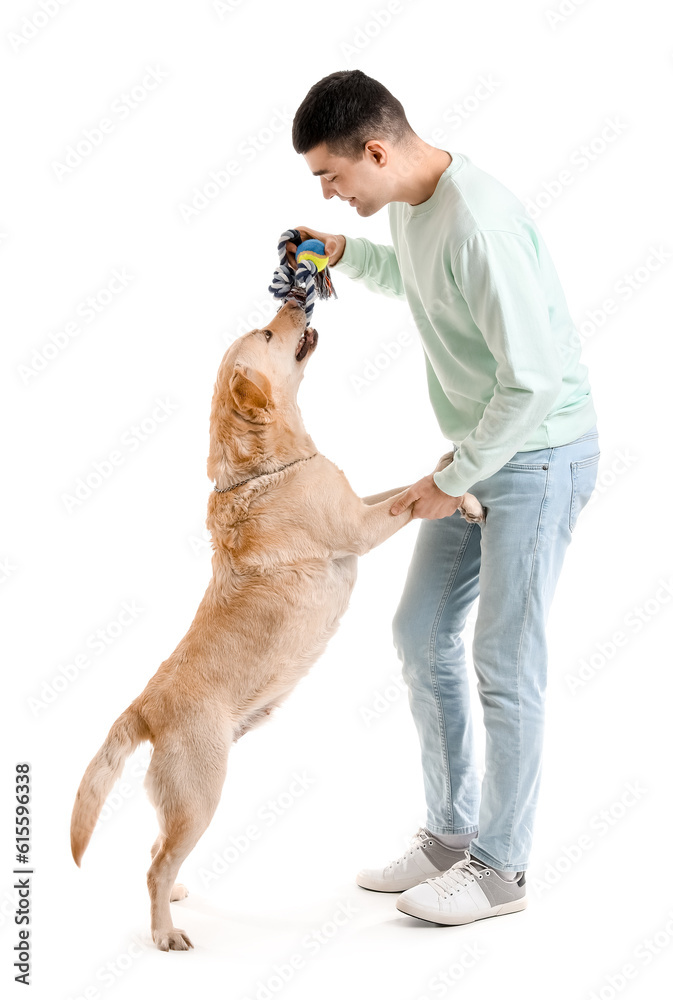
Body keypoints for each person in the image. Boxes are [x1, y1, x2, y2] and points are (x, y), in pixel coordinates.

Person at [289, 69, 600, 926]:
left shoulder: (482, 224)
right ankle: (449, 836)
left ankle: (501, 868)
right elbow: (424, 281)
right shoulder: (412, 203)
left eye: (331, 176)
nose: (328, 190)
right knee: (420, 632)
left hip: (537, 459)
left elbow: (531, 383)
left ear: (375, 151)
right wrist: (349, 252)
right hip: (478, 454)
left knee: (503, 661)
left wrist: (445, 482)